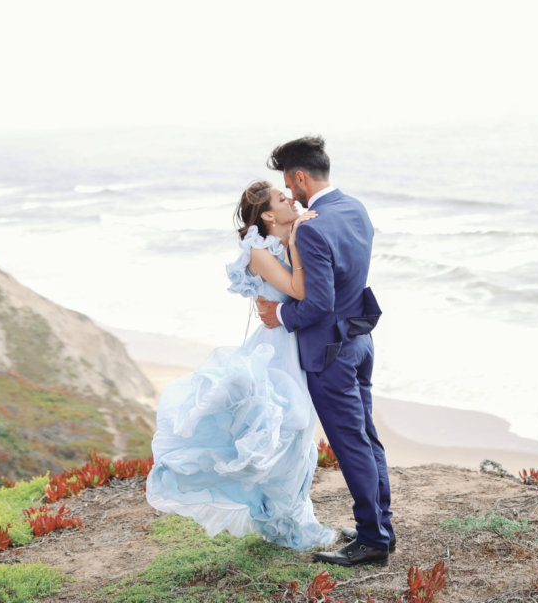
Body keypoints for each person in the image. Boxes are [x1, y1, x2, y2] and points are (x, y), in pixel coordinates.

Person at [145, 181, 335, 551]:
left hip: (296, 344)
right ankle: (285, 527)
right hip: (277, 351)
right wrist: (297, 241)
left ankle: (295, 521)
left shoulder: (284, 240)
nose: (290, 199)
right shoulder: (258, 251)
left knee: (300, 439)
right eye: (282, 199)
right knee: (285, 435)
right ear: (266, 215)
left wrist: (298, 236)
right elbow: (299, 291)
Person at [256, 135, 393, 567]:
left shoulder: (312, 227)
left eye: (287, 184)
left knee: (351, 444)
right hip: (361, 341)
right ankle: (381, 528)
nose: (290, 193)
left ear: (299, 177)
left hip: (329, 352)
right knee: (367, 438)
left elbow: (317, 303)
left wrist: (281, 314)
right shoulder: (355, 208)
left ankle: (372, 540)